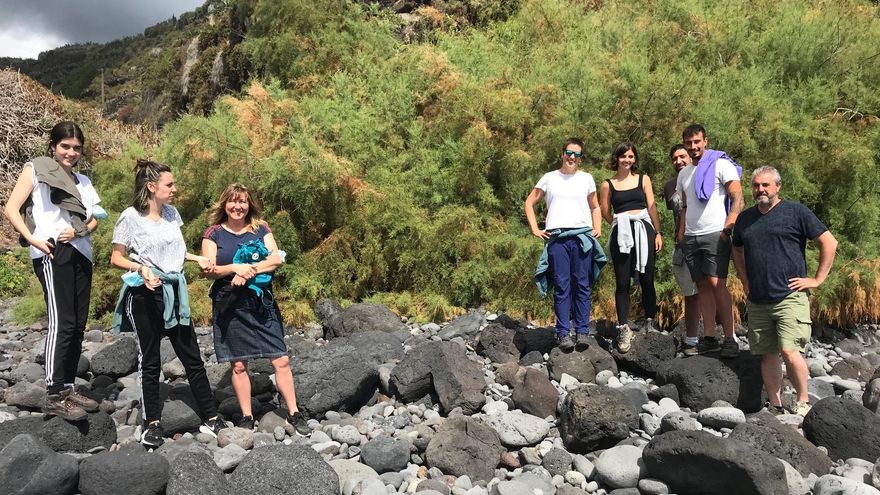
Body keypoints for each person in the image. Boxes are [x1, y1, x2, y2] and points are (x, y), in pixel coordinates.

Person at [110, 159, 227, 448]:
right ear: (152, 187)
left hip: (175, 291)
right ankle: (151, 424)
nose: (174, 189)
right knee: (150, 360)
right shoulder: (130, 217)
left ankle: (210, 417)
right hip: (145, 294)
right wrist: (141, 269)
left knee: (192, 357)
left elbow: (177, 250)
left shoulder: (172, 213)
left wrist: (197, 258)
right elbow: (116, 258)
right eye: (169, 184)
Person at [3, 121, 101, 421]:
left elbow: (95, 217)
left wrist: (79, 230)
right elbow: (11, 208)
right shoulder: (36, 170)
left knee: (79, 323)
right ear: (53, 146)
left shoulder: (83, 181)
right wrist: (32, 238)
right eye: (65, 146)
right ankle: (54, 393)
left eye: (76, 148)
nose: (71, 152)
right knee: (62, 321)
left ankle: (69, 385)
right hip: (50, 251)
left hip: (81, 252)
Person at [201, 183, 309, 435]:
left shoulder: (261, 229)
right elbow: (209, 270)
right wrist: (235, 269)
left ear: (250, 205)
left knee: (280, 359)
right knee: (238, 365)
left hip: (261, 301)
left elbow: (276, 258)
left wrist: (250, 271)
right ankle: (247, 416)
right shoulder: (214, 233)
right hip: (230, 302)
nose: (238, 206)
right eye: (233, 201)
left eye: (243, 202)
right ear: (224, 204)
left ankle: (294, 411)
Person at [732, 166, 837, 416]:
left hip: (789, 296)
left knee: (790, 350)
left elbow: (829, 242)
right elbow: (737, 249)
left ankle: (803, 402)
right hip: (758, 299)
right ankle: (775, 404)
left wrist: (817, 279)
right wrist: (744, 280)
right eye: (756, 185)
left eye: (766, 185)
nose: (761, 190)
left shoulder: (795, 212)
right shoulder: (745, 219)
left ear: (777, 186)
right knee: (767, 355)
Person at [527, 138, 605, 352]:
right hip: (558, 239)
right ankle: (563, 333)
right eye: (569, 153)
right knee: (562, 286)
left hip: (582, 238)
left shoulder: (586, 179)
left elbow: (595, 207)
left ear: (581, 158)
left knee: (582, 284)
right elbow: (529, 202)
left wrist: (597, 228)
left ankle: (582, 331)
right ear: (562, 153)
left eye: (577, 154)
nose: (572, 157)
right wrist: (535, 229)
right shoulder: (549, 178)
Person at [676, 124, 743, 357]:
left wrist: (730, 223)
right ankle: (709, 337)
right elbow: (685, 205)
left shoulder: (721, 165)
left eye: (697, 142)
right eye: (688, 143)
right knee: (702, 286)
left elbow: (737, 196)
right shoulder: (684, 174)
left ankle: (729, 338)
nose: (693, 147)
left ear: (705, 140)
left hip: (715, 232)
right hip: (692, 236)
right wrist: (682, 234)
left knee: (717, 284)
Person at [598, 142, 662, 353]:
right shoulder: (608, 184)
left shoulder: (643, 179)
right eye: (623, 156)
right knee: (622, 282)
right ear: (616, 158)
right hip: (622, 232)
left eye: (631, 156)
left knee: (647, 278)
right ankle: (623, 327)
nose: (627, 160)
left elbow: (652, 206)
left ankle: (650, 322)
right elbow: (605, 211)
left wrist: (658, 232)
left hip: (644, 228)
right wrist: (619, 223)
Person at [663, 144, 701, 356]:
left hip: (703, 240)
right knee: (690, 293)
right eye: (675, 158)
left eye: (682, 156)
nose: (679, 161)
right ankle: (691, 339)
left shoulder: (703, 178)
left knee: (711, 289)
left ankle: (721, 337)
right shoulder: (669, 186)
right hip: (682, 245)